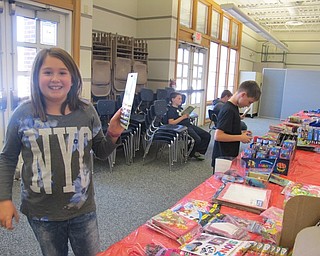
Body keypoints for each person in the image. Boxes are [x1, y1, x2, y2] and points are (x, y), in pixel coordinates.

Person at [0, 48, 124, 256]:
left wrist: (112, 134)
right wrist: (4, 199)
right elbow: (7, 158)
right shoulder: (22, 114)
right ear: (36, 76)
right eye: (47, 72)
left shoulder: (86, 111)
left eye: (62, 72)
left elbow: (101, 152)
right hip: (42, 213)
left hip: (82, 209)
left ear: (73, 78)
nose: (55, 78)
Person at [211, 80, 261, 173]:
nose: (248, 105)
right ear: (243, 95)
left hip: (229, 154)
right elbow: (218, 136)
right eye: (249, 102)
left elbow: (229, 130)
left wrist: (242, 133)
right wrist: (240, 137)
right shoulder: (228, 109)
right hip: (222, 157)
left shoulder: (234, 107)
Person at [164, 92, 211, 160]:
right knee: (197, 139)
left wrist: (187, 116)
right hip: (182, 127)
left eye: (181, 98)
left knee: (207, 135)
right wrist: (183, 117)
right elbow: (171, 122)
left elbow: (181, 116)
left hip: (189, 125)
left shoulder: (180, 108)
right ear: (173, 99)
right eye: (179, 98)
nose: (181, 100)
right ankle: (187, 153)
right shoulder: (171, 110)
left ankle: (198, 151)